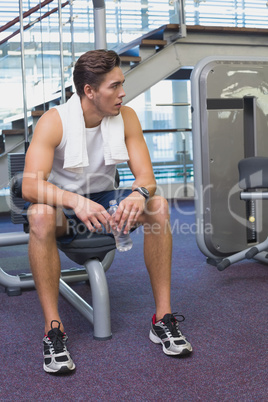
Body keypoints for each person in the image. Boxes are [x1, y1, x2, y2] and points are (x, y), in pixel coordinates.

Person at [22, 49, 192, 374]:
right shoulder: (54, 121)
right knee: (39, 215)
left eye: (122, 84)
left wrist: (139, 195)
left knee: (158, 206)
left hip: (103, 199)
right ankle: (53, 330)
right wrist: (75, 201)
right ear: (89, 91)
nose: (122, 93)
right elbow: (30, 186)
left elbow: (147, 179)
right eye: (114, 86)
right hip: (62, 204)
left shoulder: (126, 117)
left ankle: (162, 318)